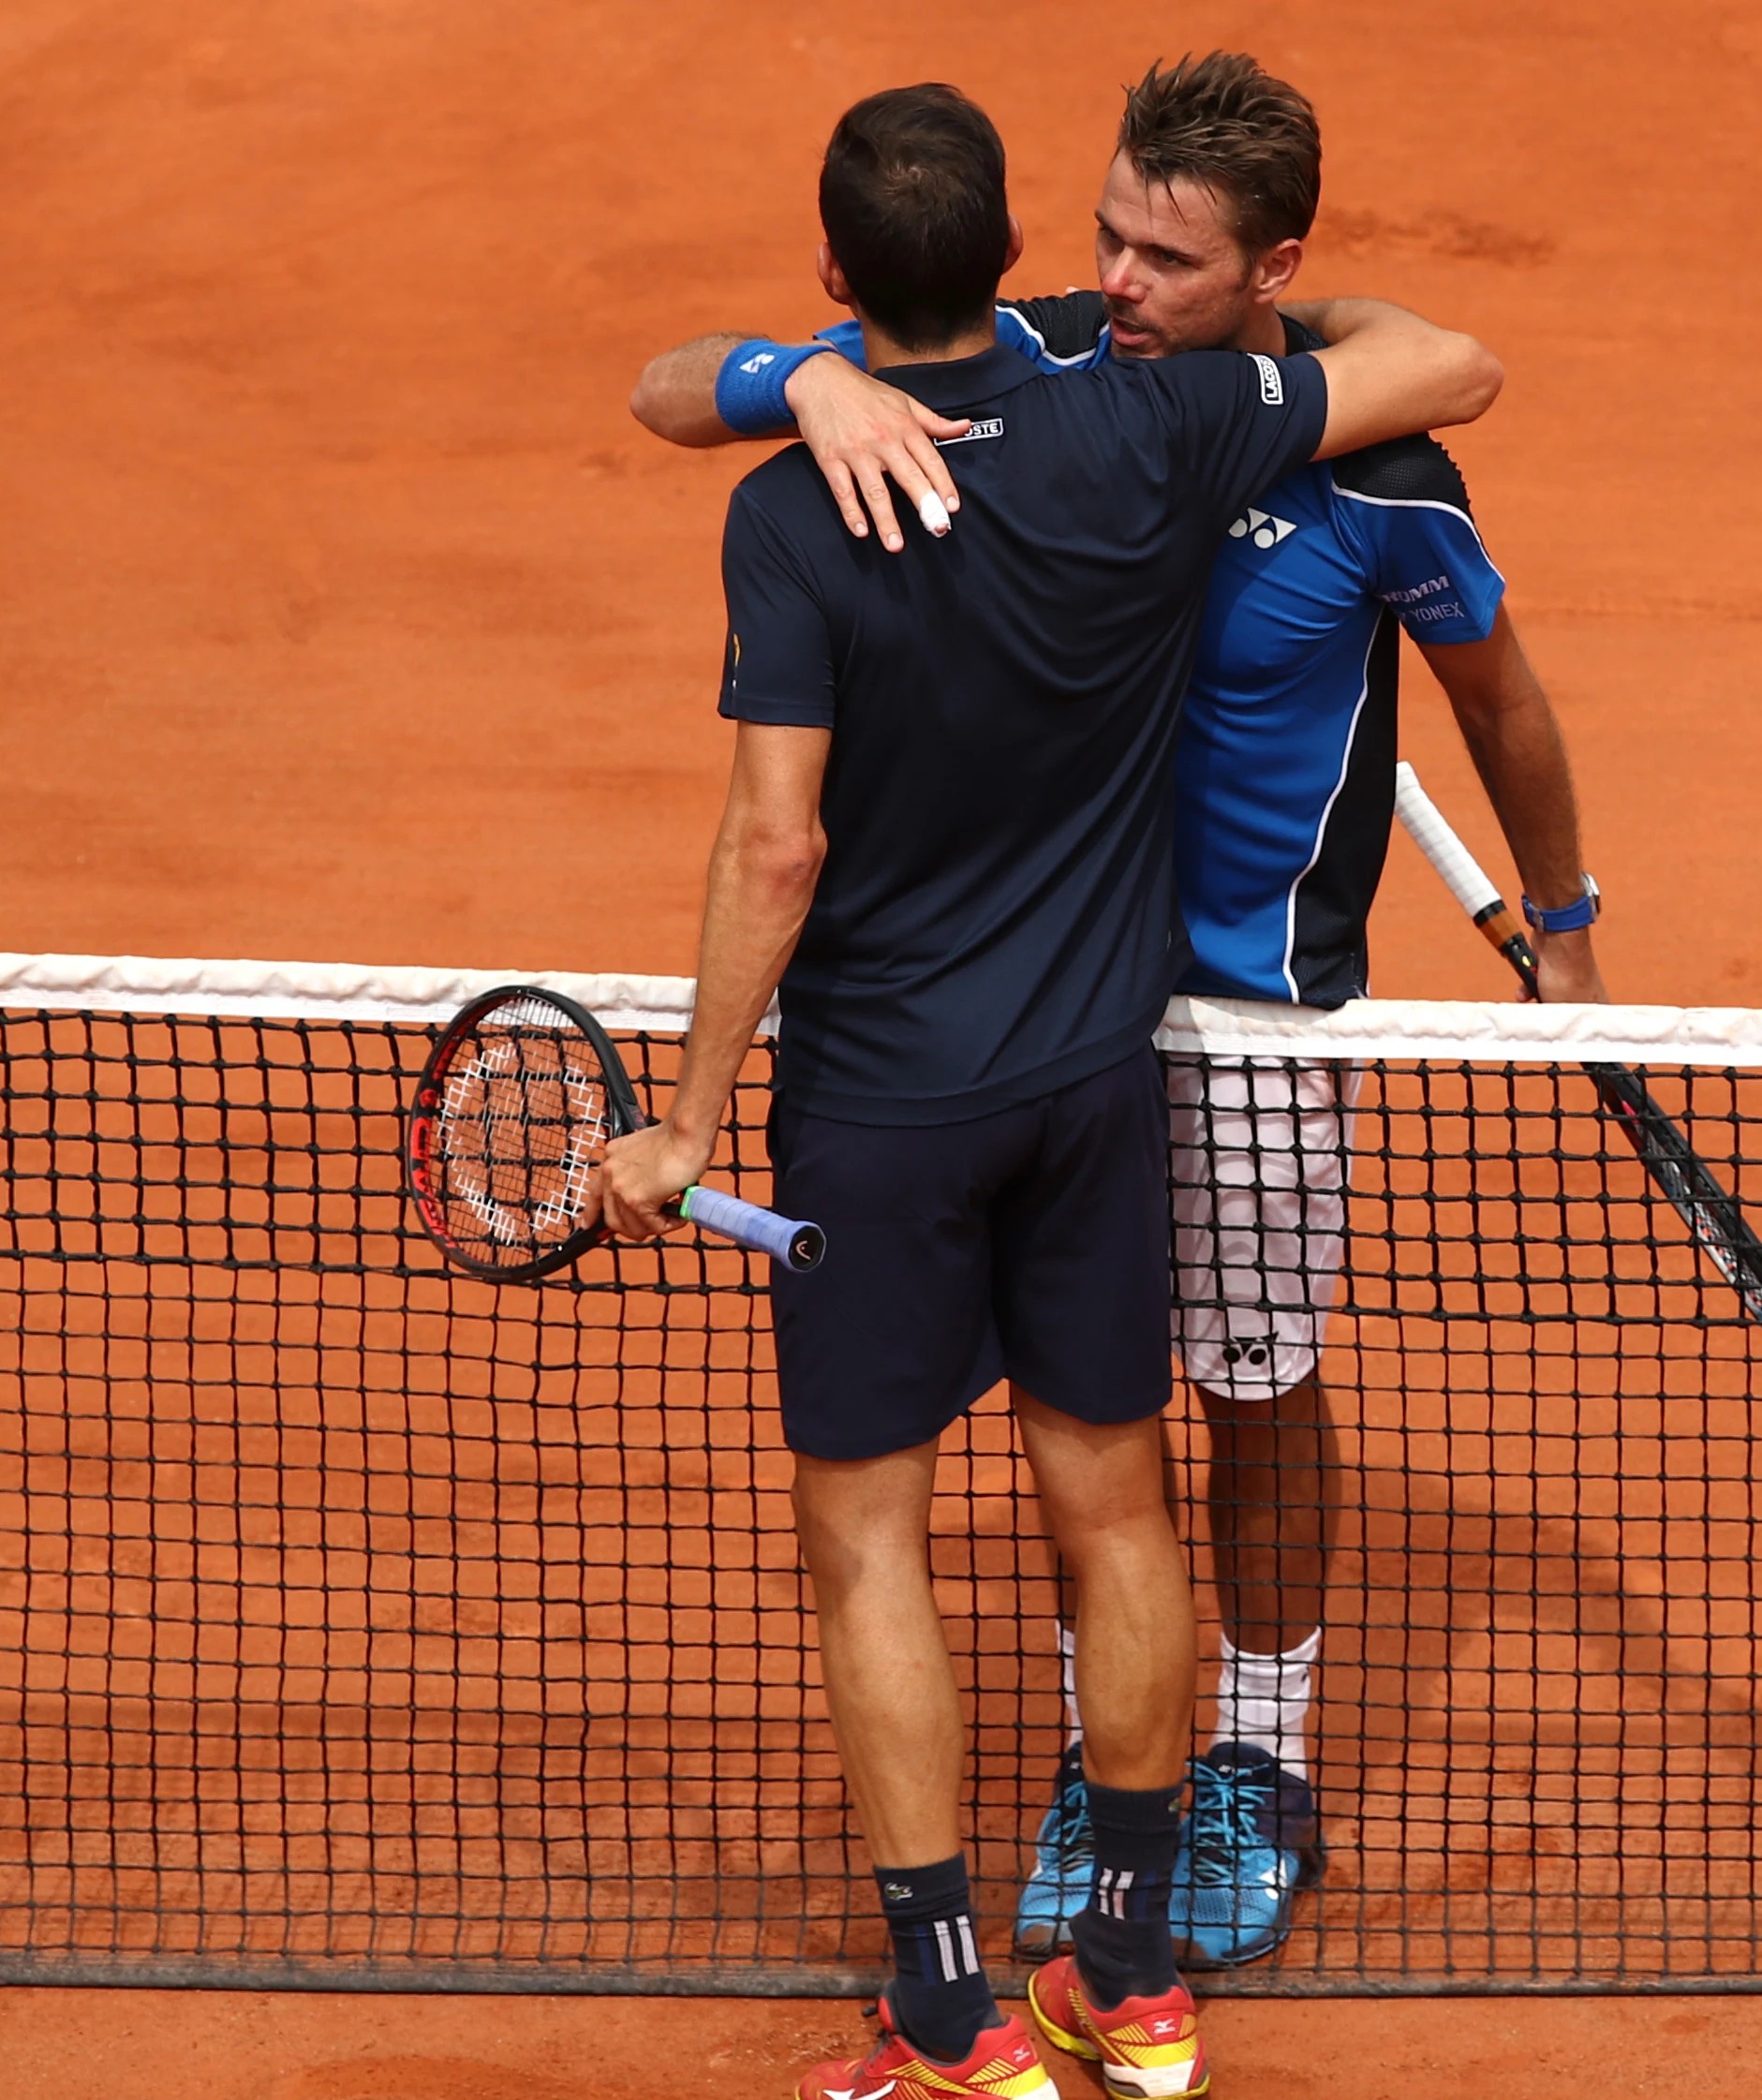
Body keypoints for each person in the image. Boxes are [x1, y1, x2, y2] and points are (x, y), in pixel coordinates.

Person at [627, 53, 1607, 1971]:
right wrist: (800, 370)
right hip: (1054, 1021)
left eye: (1170, 258)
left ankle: (1257, 1749)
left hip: (1253, 1024)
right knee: (1097, 1422)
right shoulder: (1079, 368)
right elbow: (677, 387)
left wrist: (1562, 916)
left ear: (1273, 270)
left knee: (1249, 1391)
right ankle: (1122, 1760)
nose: (1120, 285)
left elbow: (1499, 659)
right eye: (1103, 242)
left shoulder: (1372, 478)